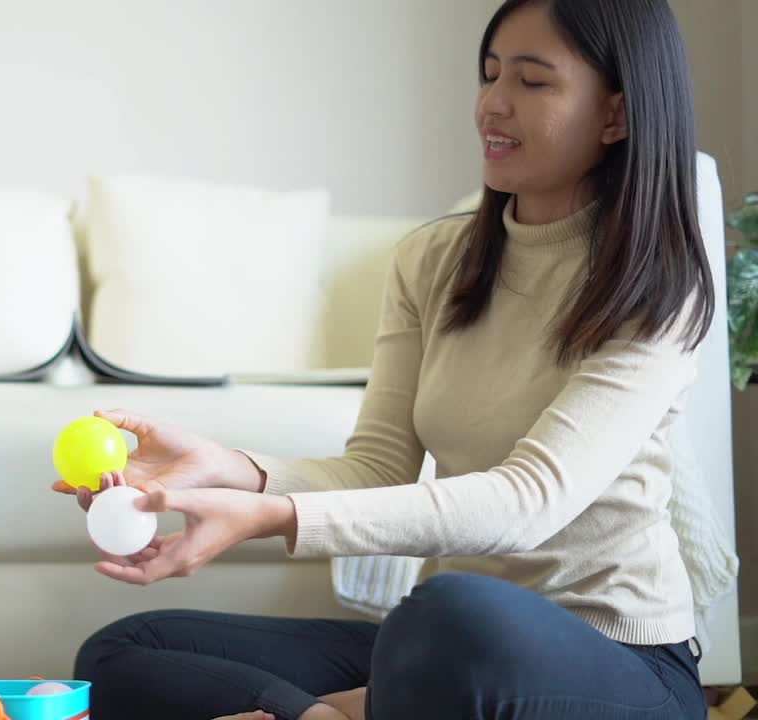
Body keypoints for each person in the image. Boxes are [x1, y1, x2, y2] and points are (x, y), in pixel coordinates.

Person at [57, 1, 715, 718]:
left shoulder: (658, 289)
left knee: (449, 615)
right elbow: (375, 469)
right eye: (490, 75)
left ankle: (345, 709)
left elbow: (529, 501)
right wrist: (231, 472)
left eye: (532, 83)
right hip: (434, 655)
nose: (492, 105)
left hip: (610, 661)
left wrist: (272, 516)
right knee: (123, 653)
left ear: (615, 116)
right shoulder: (432, 262)